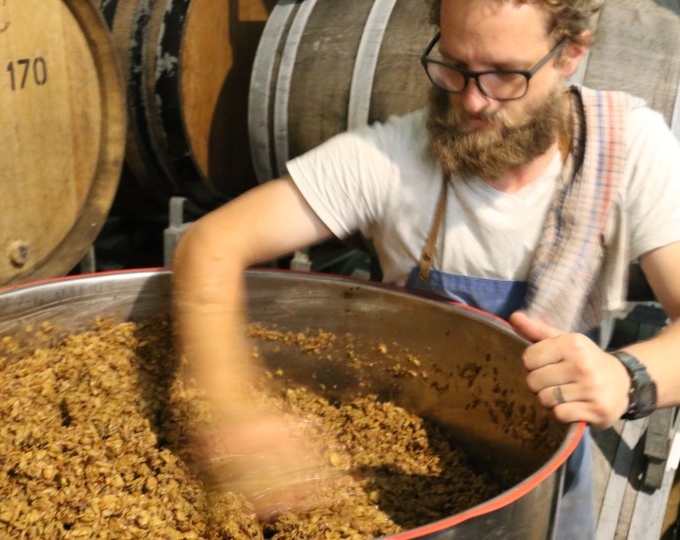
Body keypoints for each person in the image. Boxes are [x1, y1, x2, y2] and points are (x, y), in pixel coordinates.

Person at [172, 0, 680, 536]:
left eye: (506, 75)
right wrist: (231, 410)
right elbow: (212, 243)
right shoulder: (394, 157)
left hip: (546, 466)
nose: (473, 100)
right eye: (455, 66)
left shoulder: (628, 149)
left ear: (570, 53)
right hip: (397, 444)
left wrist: (627, 378)